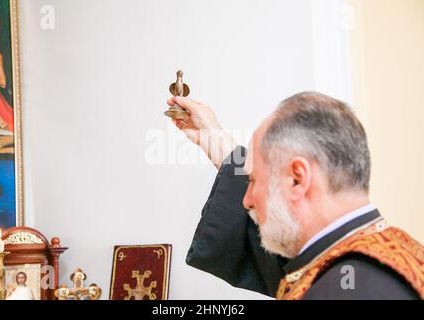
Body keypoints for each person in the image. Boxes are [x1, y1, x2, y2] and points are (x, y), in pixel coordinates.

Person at [167, 91, 424, 300]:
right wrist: (212, 138)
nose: (245, 201)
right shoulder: (392, 251)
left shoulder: (347, 289)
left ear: (297, 179)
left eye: (254, 180)